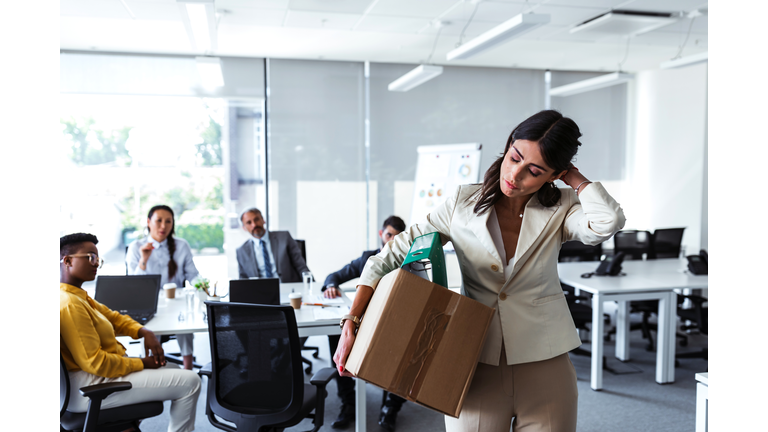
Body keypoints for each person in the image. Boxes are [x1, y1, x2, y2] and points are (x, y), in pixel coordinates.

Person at [333, 110, 626, 432]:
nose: (515, 174)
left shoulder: (563, 206)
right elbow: (385, 258)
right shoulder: (461, 203)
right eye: (514, 157)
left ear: (553, 175)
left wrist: (574, 178)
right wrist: (352, 320)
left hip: (546, 363)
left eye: (534, 170)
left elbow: (606, 222)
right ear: (508, 145)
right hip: (472, 361)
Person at [60, 233, 201, 432]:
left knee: (174, 370)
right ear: (67, 261)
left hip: (92, 378)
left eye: (98, 259)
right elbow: (95, 363)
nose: (96, 264)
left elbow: (113, 318)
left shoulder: (78, 296)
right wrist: (143, 363)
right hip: (89, 387)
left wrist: (143, 331)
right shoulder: (70, 303)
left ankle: (126, 426)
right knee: (191, 382)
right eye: (90, 257)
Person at [322, 216, 409, 431]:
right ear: (381, 234)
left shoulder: (411, 261)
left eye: (398, 238)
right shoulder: (367, 258)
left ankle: (390, 407)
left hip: (395, 322)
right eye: (389, 235)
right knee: (337, 334)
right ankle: (348, 402)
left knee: (406, 344)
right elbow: (334, 275)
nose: (392, 242)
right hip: (365, 322)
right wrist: (331, 284)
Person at [126, 205, 200, 370]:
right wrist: (143, 260)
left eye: (168, 221)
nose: (163, 226)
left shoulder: (182, 246)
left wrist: (203, 286)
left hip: (177, 300)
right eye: (158, 221)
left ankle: (188, 369)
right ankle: (151, 367)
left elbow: (193, 275)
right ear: (148, 222)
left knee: (187, 322)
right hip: (149, 303)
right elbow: (133, 285)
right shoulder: (136, 247)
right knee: (150, 329)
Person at [236, 207, 311, 283]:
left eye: (256, 219)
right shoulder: (241, 251)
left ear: (263, 220)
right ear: (244, 228)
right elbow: (243, 280)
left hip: (287, 289)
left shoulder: (284, 238)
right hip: (260, 291)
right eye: (249, 222)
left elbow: (301, 267)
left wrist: (312, 288)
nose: (254, 224)